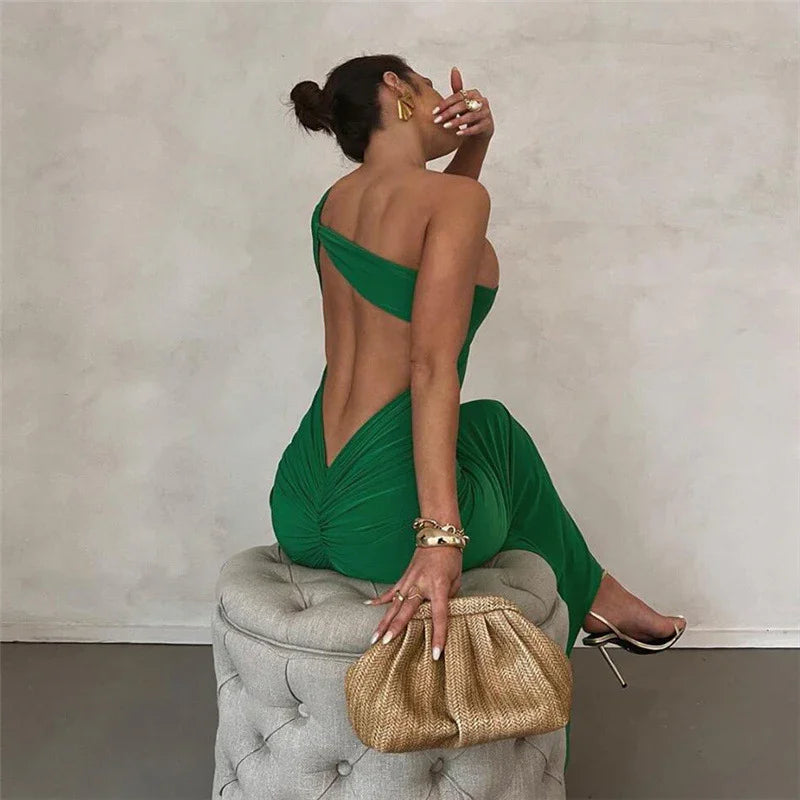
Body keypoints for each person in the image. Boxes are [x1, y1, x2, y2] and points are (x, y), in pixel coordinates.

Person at [270, 54, 687, 766]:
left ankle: (602, 599)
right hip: (387, 520)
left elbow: (429, 261)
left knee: (488, 424)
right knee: (495, 430)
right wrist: (439, 537)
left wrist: (474, 146)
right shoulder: (453, 203)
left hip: (302, 497)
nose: (441, 97)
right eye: (429, 85)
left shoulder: (333, 205)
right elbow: (430, 366)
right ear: (397, 91)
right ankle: (600, 598)